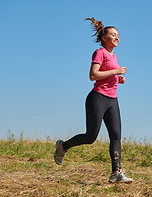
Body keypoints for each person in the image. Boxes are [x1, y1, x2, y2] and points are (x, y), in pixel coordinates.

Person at [54, 17, 133, 184]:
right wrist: (116, 72)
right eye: (113, 35)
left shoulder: (114, 56)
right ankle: (62, 147)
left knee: (116, 136)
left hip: (112, 99)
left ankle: (116, 173)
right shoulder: (100, 52)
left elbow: (107, 74)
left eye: (118, 35)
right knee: (90, 137)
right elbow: (93, 75)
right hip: (97, 98)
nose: (117, 37)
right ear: (104, 38)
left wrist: (117, 78)